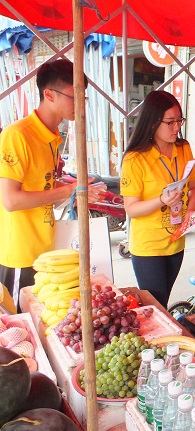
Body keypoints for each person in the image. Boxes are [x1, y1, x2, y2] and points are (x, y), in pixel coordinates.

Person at [0, 59, 104, 308]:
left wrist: (78, 193)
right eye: (74, 96)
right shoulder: (18, 135)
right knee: (21, 322)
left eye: (83, 97)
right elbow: (11, 200)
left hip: (46, 252)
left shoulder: (52, 136)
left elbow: (42, 186)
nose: (80, 104)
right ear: (49, 95)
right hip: (20, 254)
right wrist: (70, 190)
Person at [120, 90, 195, 308]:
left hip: (176, 242)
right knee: (156, 307)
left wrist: (190, 212)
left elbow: (194, 188)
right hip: (149, 247)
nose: (176, 127)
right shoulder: (135, 159)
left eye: (179, 120)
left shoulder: (183, 148)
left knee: (162, 303)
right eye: (170, 122)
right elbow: (131, 208)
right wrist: (161, 201)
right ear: (153, 122)